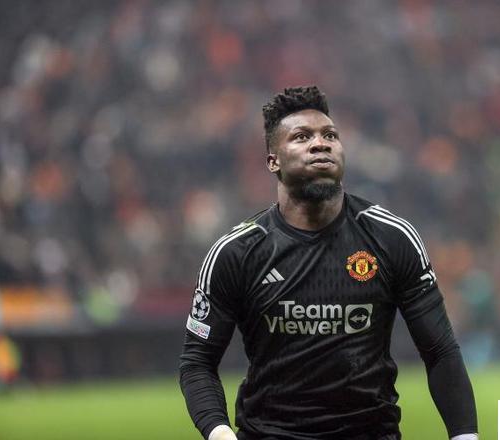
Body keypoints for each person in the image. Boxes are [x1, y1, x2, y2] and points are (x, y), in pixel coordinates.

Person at [179, 86, 478, 440]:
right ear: (273, 161)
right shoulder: (236, 252)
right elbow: (198, 362)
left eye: (330, 135)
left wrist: (465, 436)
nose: (320, 144)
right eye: (302, 137)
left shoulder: (392, 237)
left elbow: (440, 350)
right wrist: (219, 433)